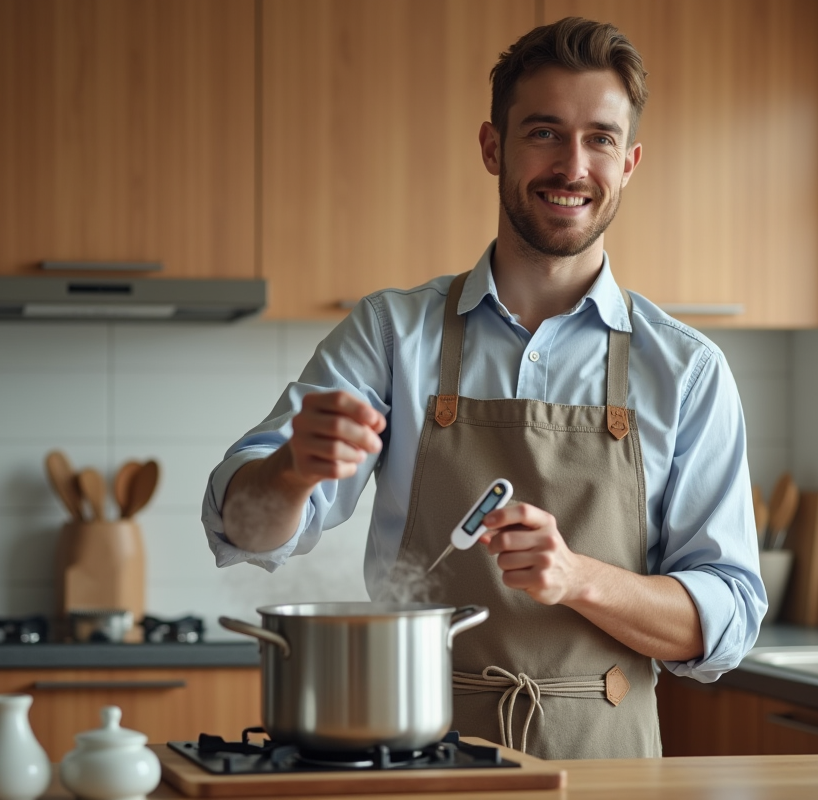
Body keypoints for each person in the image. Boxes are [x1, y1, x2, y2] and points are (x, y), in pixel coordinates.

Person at [201, 17, 765, 760]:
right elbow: (239, 527)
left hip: (608, 766)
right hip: (419, 749)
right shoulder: (391, 335)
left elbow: (727, 621)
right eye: (543, 132)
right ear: (492, 146)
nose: (572, 165)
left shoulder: (686, 371)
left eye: (598, 138)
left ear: (628, 163)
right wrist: (292, 469)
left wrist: (578, 579)